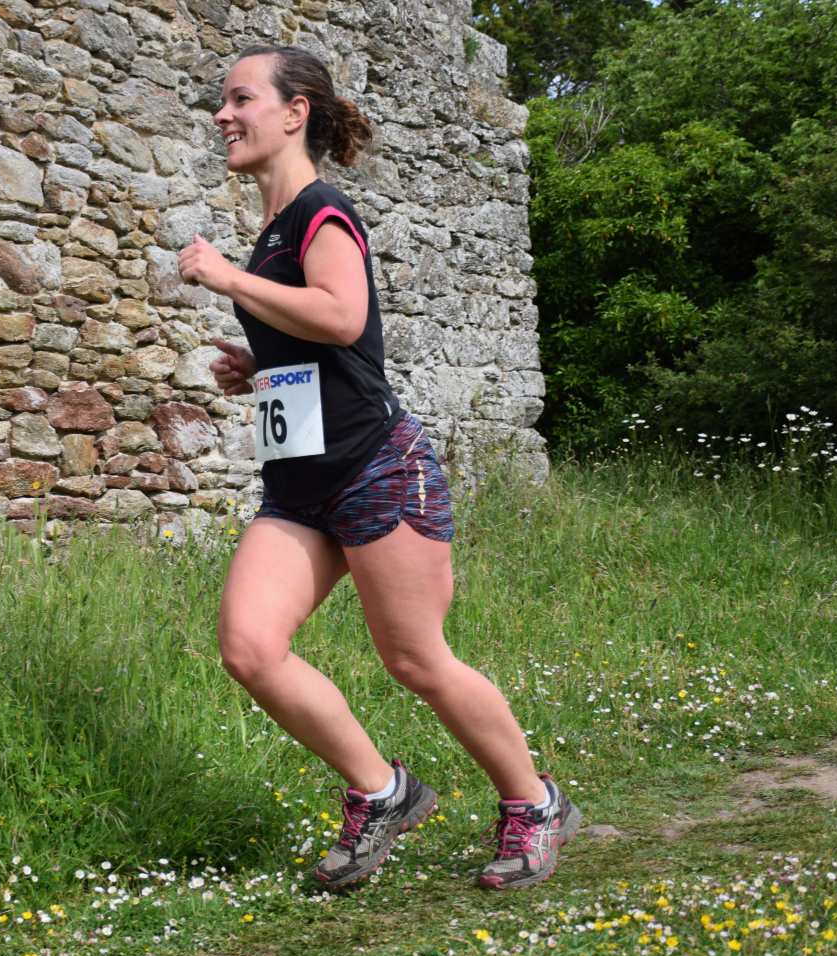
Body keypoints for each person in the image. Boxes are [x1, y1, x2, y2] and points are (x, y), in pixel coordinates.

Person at [176, 45, 580, 890]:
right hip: (300, 482)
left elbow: (342, 314)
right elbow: (323, 341)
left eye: (240, 99)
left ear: (294, 114)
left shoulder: (323, 211)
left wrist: (227, 280)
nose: (223, 114)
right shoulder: (275, 230)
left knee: (416, 659)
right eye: (223, 101)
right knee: (251, 648)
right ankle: (383, 790)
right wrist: (260, 366)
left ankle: (534, 802)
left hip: (373, 469)